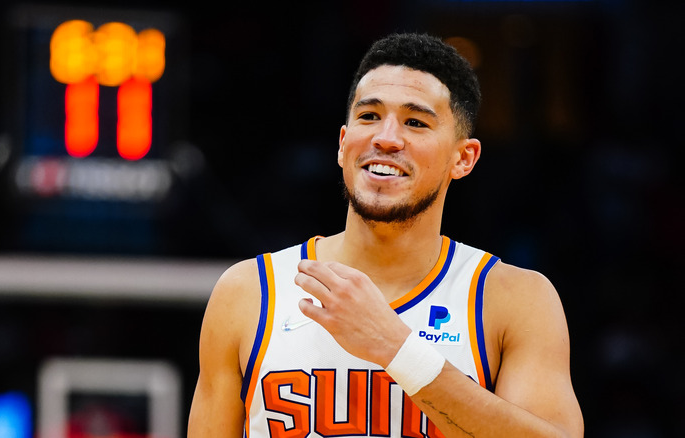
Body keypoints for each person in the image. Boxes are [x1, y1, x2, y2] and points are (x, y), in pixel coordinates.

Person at [187, 32, 583, 437]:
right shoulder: (248, 292)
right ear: (343, 144)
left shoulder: (513, 299)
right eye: (369, 116)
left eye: (415, 122)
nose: (386, 138)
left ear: (463, 158)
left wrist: (396, 348)